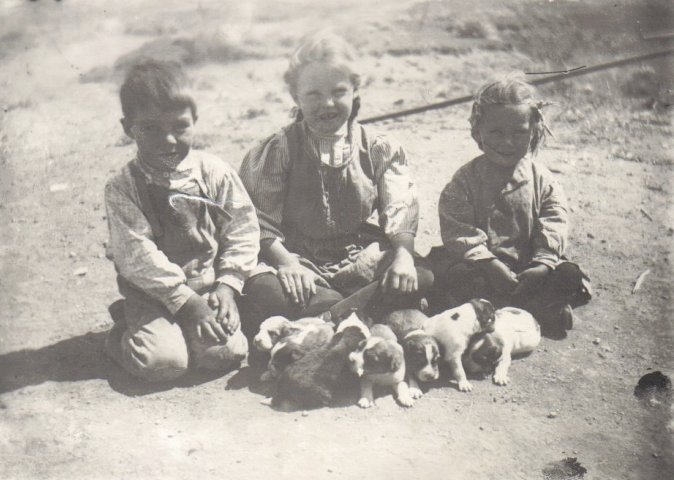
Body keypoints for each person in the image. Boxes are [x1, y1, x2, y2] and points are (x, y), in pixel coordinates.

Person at [238, 30, 431, 334]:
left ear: (355, 89)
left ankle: (330, 312)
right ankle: (358, 309)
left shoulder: (378, 146)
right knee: (267, 290)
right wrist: (287, 263)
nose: (326, 103)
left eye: (338, 91)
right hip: (297, 256)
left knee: (422, 274)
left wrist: (404, 256)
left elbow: (401, 207)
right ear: (295, 97)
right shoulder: (278, 149)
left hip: (358, 254)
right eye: (313, 94)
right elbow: (258, 220)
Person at [104, 60, 259, 381]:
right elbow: (137, 256)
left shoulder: (213, 172)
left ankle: (182, 334)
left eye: (180, 127)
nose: (169, 141)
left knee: (226, 355)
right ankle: (122, 333)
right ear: (127, 127)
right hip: (153, 294)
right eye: (151, 129)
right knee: (163, 365)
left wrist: (228, 285)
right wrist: (186, 305)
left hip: (207, 290)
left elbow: (242, 228)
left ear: (195, 121)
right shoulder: (123, 186)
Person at [426, 76, 591, 338]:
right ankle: (533, 311)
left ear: (533, 131)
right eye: (496, 132)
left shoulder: (543, 180)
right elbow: (457, 227)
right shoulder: (465, 180)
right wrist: (488, 262)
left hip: (528, 271)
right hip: (482, 269)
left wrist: (542, 264)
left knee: (568, 274)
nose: (508, 142)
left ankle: (530, 306)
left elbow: (554, 221)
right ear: (478, 131)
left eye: (518, 132)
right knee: (452, 277)